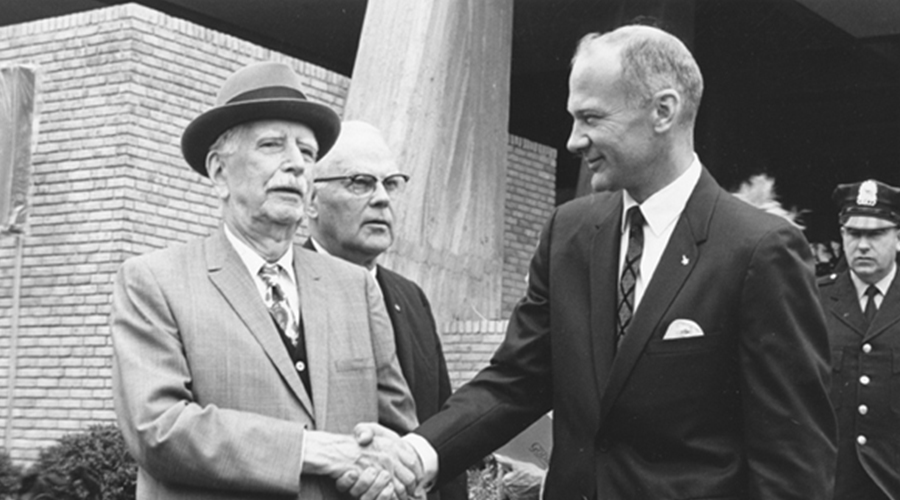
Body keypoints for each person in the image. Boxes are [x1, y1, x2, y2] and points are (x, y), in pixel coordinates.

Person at [355, 24, 838, 499]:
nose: (573, 139)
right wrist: (417, 452)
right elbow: (517, 381)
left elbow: (793, 457)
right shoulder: (569, 233)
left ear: (663, 111)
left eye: (590, 118)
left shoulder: (760, 249)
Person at [110, 61, 421, 499]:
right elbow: (158, 429)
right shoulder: (154, 282)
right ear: (219, 171)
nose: (295, 164)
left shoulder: (357, 288)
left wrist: (386, 472)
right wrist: (316, 450)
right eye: (273, 145)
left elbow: (397, 433)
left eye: (309, 153)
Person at [303, 120, 467, 500]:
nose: (382, 198)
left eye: (391, 183)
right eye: (360, 182)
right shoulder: (286, 292)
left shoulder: (411, 298)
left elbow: (441, 422)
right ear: (310, 200)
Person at [819, 179, 900, 500]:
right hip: (833, 485)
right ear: (842, 235)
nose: (862, 245)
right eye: (854, 233)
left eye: (876, 234)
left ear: (898, 237)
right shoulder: (812, 299)